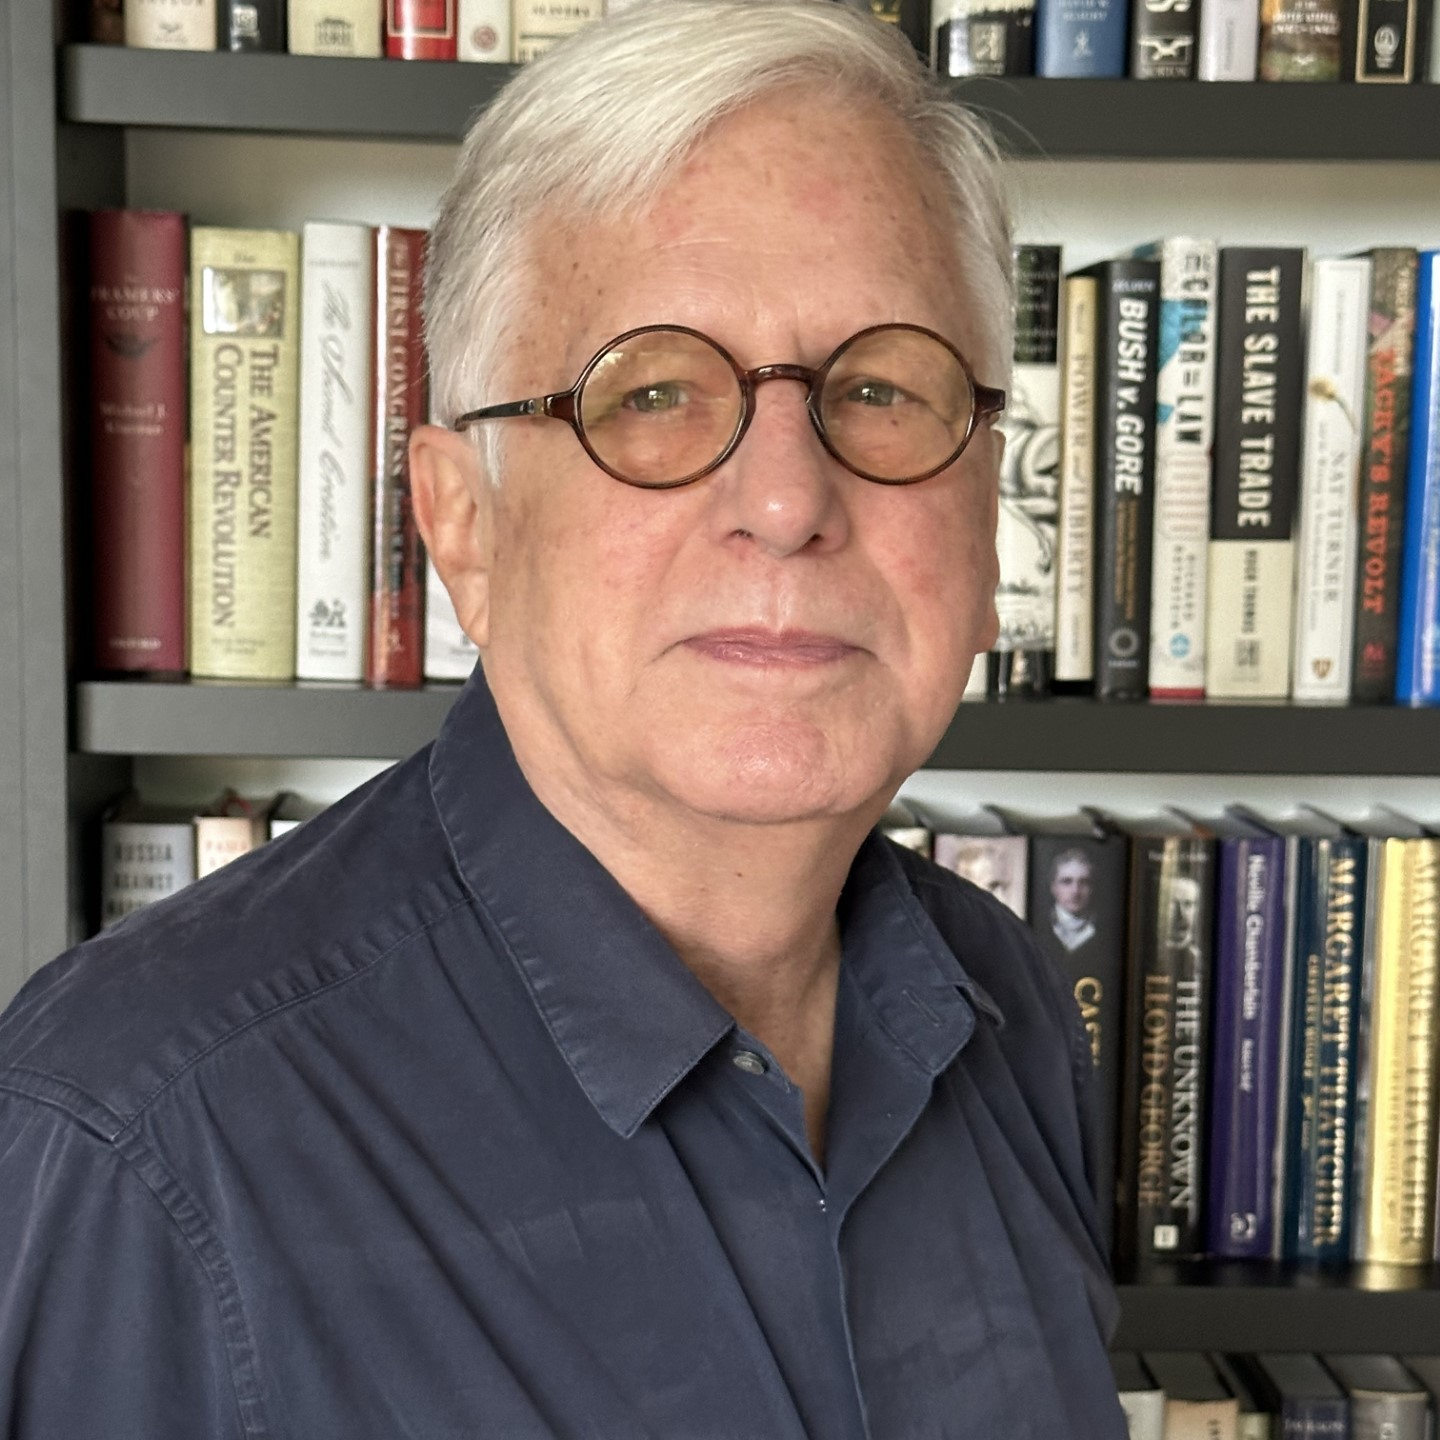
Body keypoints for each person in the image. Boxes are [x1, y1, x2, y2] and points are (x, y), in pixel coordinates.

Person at [0, 2, 1125, 1435]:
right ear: (460, 524)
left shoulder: (1013, 1014)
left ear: (985, 523)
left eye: (878, 389)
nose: (787, 503)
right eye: (650, 394)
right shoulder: (132, 1142)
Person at [1049, 845, 1098, 954]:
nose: (1075, 891)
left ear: (1092, 888)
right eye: (1066, 882)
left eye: (1084, 882)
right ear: (1053, 887)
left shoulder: (1103, 932)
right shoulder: (1040, 929)